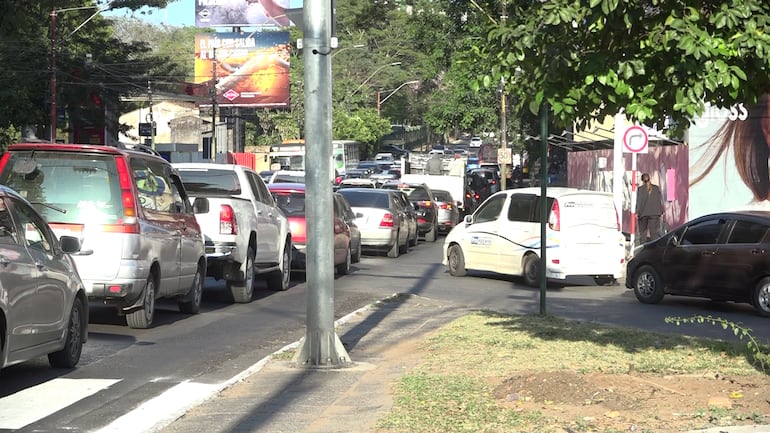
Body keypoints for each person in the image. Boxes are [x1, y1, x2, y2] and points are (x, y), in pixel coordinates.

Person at [636, 173, 664, 243]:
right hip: (655, 213)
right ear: (649, 179)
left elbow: (639, 202)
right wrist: (661, 211)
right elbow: (658, 200)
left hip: (644, 213)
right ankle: (655, 248)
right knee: (654, 233)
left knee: (643, 233)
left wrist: (637, 212)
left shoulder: (640, 189)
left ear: (642, 180)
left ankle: (642, 248)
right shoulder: (656, 188)